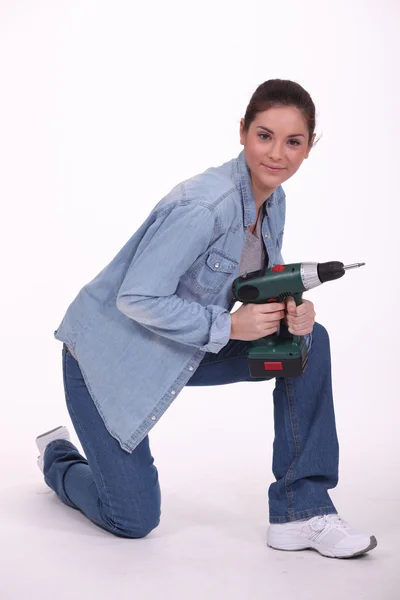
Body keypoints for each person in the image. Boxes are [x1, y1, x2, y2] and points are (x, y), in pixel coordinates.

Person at [36, 79, 377, 559]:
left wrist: (291, 312)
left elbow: (248, 284)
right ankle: (58, 456)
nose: (277, 153)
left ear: (309, 147)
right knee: (132, 518)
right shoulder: (205, 206)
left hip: (181, 349)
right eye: (264, 136)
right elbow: (137, 297)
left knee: (310, 341)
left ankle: (302, 512)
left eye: (293, 142)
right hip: (109, 362)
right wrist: (230, 327)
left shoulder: (273, 200)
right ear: (242, 132)